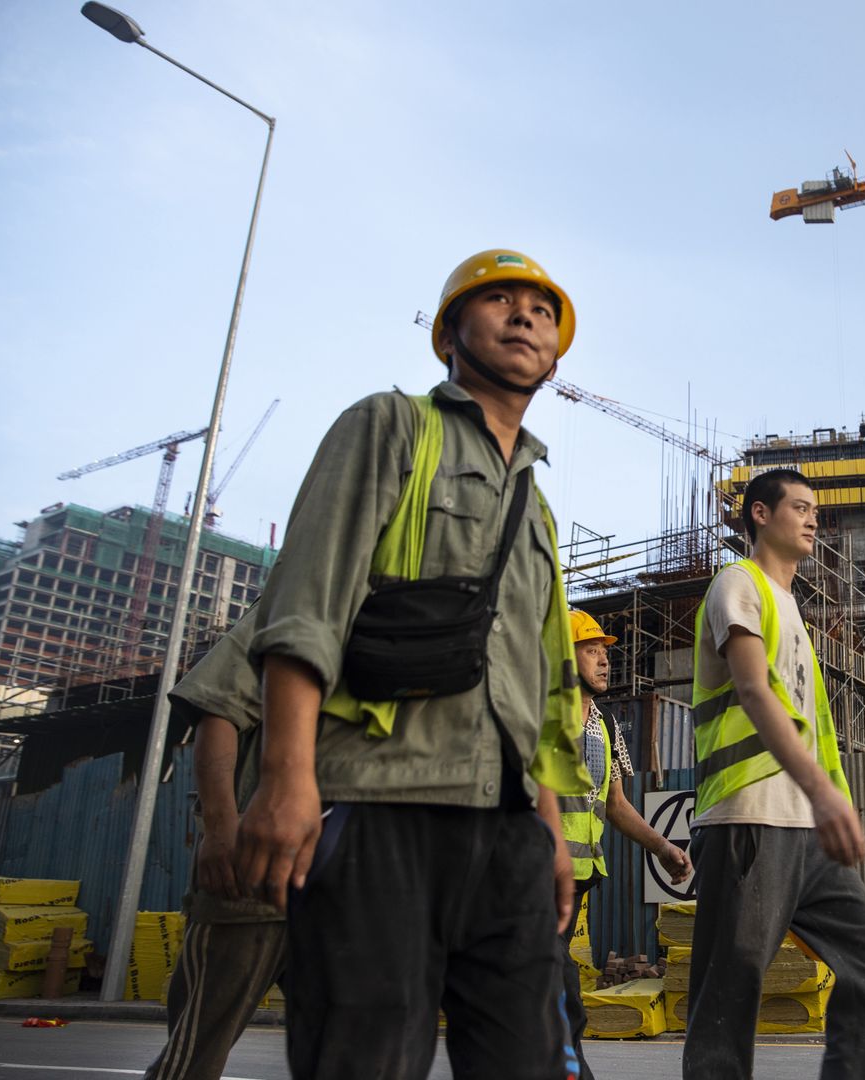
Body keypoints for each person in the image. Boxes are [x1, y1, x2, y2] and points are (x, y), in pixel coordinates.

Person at [233, 249, 592, 1080]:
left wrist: (551, 830)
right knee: (365, 1059)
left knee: (527, 1062)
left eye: (541, 308)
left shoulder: (535, 503)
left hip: (507, 837)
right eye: (496, 299)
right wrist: (286, 782)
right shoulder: (390, 427)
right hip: (379, 806)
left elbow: (536, 688)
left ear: (558, 351)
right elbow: (307, 609)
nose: (524, 315)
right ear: (448, 334)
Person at [683, 468, 865, 1080]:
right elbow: (754, 691)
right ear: (758, 513)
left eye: (815, 510)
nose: (812, 520)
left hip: (805, 829)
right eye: (799, 507)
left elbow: (815, 730)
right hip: (748, 819)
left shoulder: (796, 614)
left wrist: (836, 801)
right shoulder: (738, 583)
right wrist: (822, 794)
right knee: (729, 997)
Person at [143, 611, 284, 1080]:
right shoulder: (297, 596)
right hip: (252, 876)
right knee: (193, 1058)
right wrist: (221, 829)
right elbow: (217, 707)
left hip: (351, 883)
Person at [559, 608, 692, 1077]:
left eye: (604, 652)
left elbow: (615, 804)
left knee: (547, 986)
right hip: (531, 875)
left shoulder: (605, 725)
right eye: (590, 649)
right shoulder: (536, 714)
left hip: (578, 880)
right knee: (557, 989)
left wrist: (663, 847)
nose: (603, 660)